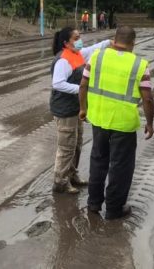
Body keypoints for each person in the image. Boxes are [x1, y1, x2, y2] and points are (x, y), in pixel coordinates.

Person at [79, 26, 154, 219]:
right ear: (133, 43)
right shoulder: (140, 64)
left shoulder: (97, 57)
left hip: (99, 119)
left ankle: (93, 204)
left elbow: (83, 84)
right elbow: (147, 98)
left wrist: (83, 108)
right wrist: (150, 122)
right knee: (120, 166)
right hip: (124, 124)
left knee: (98, 160)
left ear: (114, 40)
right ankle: (114, 208)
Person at [50, 27, 114, 194]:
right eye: (76, 38)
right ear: (66, 42)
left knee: (76, 145)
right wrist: (81, 89)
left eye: (80, 36)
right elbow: (57, 83)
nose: (80, 40)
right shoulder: (63, 60)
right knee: (66, 147)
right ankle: (60, 181)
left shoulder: (77, 54)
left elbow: (92, 49)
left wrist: (108, 43)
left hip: (75, 108)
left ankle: (71, 175)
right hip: (64, 110)